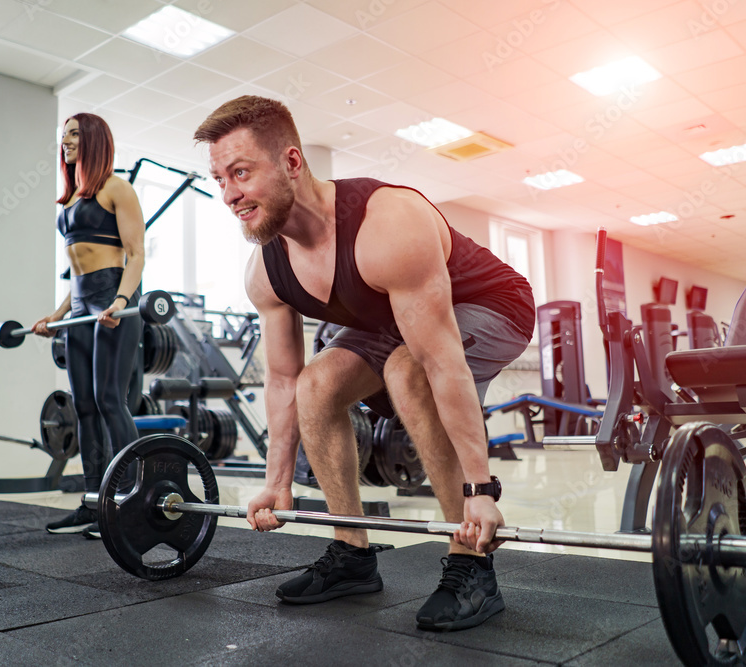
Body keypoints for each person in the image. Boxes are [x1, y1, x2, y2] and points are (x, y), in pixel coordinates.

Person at [193, 96, 535, 631]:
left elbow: (440, 363)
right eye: (219, 179)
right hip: (389, 320)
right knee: (317, 383)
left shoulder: (387, 223)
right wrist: (277, 482)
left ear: (290, 162)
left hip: (495, 304)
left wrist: (482, 491)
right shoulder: (266, 270)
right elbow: (283, 380)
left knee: (408, 368)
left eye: (241, 172)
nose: (230, 195)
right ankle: (351, 553)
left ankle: (472, 563)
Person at [33, 113, 146, 539]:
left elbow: (135, 254)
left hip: (113, 302)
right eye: (63, 135)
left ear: (96, 140)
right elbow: (77, 275)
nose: (66, 141)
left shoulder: (118, 189)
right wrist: (57, 315)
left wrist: (121, 299)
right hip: (81, 305)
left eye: (75, 134)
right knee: (82, 405)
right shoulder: (71, 201)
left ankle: (131, 502)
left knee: (109, 400)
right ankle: (94, 502)